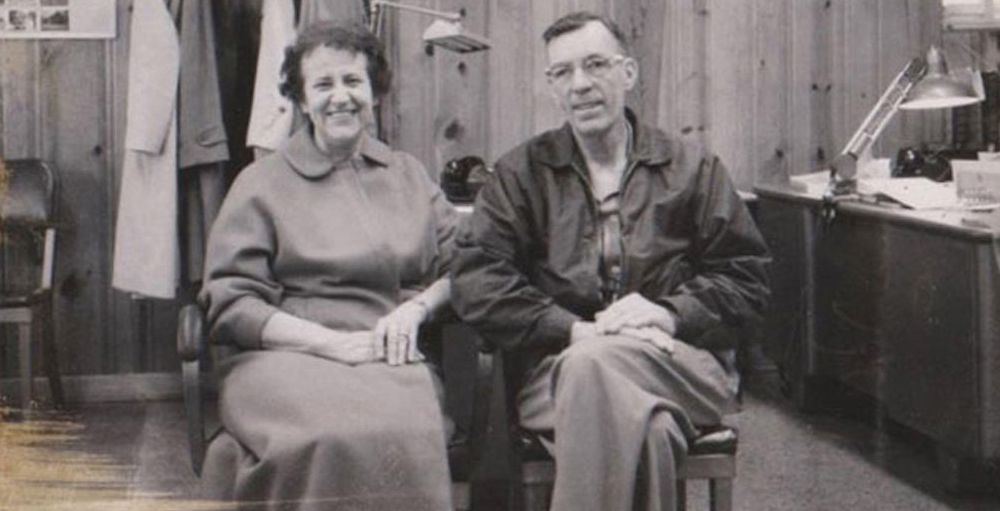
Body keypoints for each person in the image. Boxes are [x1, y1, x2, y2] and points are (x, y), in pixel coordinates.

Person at [450, 11, 770, 511]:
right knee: (649, 427)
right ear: (552, 86)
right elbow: (478, 282)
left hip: (680, 366)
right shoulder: (519, 174)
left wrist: (669, 313)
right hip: (555, 373)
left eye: (595, 65)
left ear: (628, 73)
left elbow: (746, 278)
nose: (580, 84)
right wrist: (574, 331)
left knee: (591, 368)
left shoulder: (692, 168)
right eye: (563, 72)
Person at [199, 21, 458, 511]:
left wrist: (417, 309)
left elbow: (467, 268)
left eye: (352, 82)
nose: (341, 97)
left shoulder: (409, 175)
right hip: (282, 358)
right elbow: (231, 304)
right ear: (300, 99)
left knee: (394, 432)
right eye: (323, 84)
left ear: (374, 92)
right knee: (321, 437)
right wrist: (331, 344)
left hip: (388, 356)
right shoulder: (261, 182)